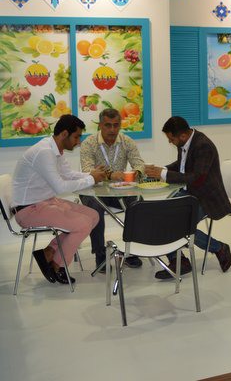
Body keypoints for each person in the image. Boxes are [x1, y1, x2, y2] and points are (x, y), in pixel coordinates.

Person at [11, 115, 107, 285]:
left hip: (45, 202)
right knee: (83, 224)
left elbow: (67, 174)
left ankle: (49, 251)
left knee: (93, 216)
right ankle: (57, 266)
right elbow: (60, 187)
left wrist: (91, 175)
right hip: (28, 210)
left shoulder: (55, 148)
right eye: (76, 137)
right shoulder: (45, 152)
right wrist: (91, 179)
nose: (78, 142)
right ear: (64, 134)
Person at [145, 116, 231, 279]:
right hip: (188, 192)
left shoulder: (203, 146)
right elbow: (182, 166)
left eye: (171, 139)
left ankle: (219, 248)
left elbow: (197, 178)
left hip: (206, 196)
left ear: (183, 136)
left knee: (181, 227)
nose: (170, 142)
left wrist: (163, 174)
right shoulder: (185, 142)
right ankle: (178, 260)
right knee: (161, 218)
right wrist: (161, 170)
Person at [80, 108, 146, 272]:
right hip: (93, 191)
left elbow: (139, 164)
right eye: (108, 125)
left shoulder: (127, 141)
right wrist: (110, 175)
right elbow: (87, 171)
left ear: (120, 125)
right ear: (100, 125)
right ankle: (100, 254)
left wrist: (136, 173)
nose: (112, 130)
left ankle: (131, 249)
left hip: (120, 191)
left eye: (116, 125)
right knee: (95, 208)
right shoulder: (89, 143)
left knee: (138, 203)